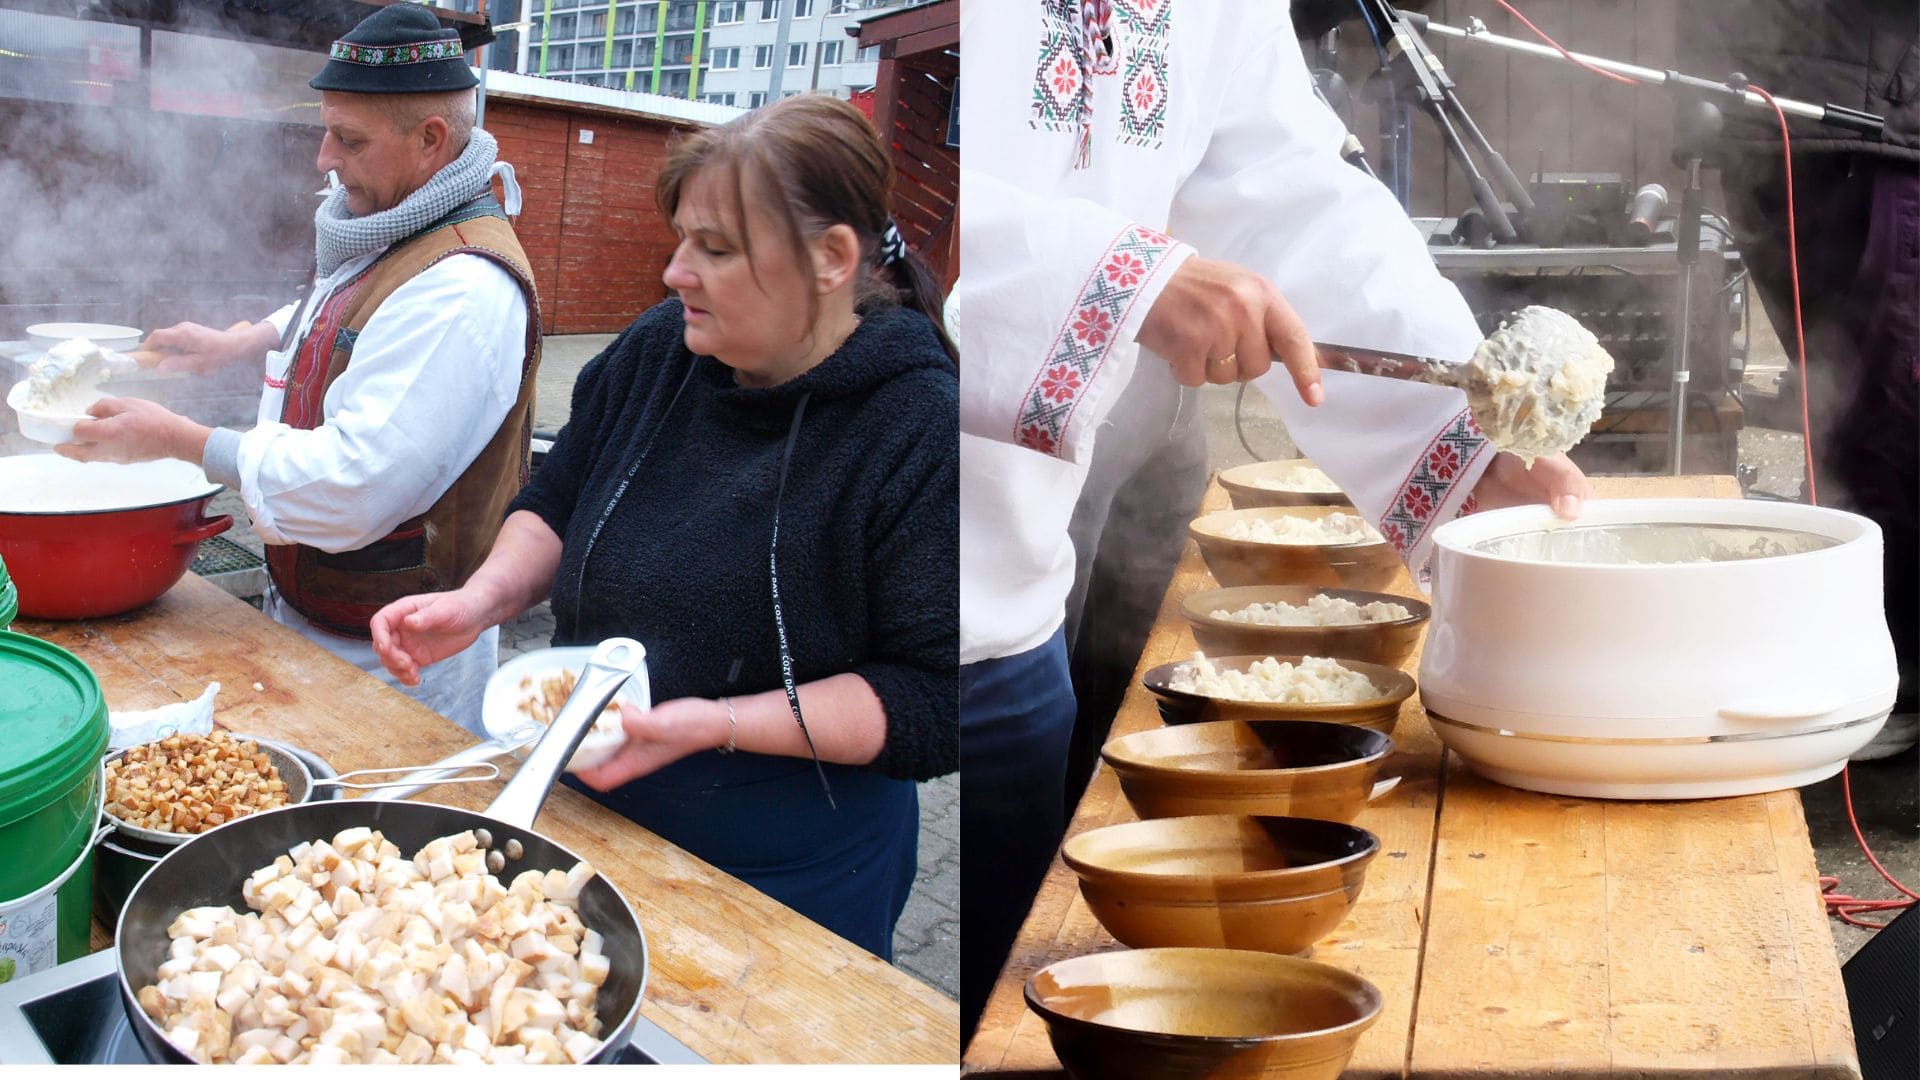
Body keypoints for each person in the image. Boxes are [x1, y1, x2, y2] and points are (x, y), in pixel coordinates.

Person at [956, 1, 1593, 1045]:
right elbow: (849, 186)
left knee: (1009, 1006)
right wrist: (1116, 279)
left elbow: (1288, 198)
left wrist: (1462, 433)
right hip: (885, 532)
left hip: (1018, 597)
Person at [367, 94, 959, 961]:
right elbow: (563, 493)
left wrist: (710, 721)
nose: (676, 272)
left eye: (714, 250)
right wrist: (483, 598)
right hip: (589, 810)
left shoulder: (914, 421)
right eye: (681, 238)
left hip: (788, 867)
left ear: (832, 258)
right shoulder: (661, 349)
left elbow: (932, 700)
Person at [55, 3, 537, 734]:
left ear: (431, 141)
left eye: (348, 139)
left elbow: (351, 485)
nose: (323, 158)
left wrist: (184, 440)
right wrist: (239, 342)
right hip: (315, 617)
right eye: (326, 130)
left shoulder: (464, 289)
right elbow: (349, 305)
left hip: (395, 662)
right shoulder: (402, 225)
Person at [1675, 0, 1917, 760]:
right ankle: (1887, 665)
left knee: (1870, 410)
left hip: (1817, 110)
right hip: (1812, 114)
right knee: (1857, 409)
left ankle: (1889, 667)